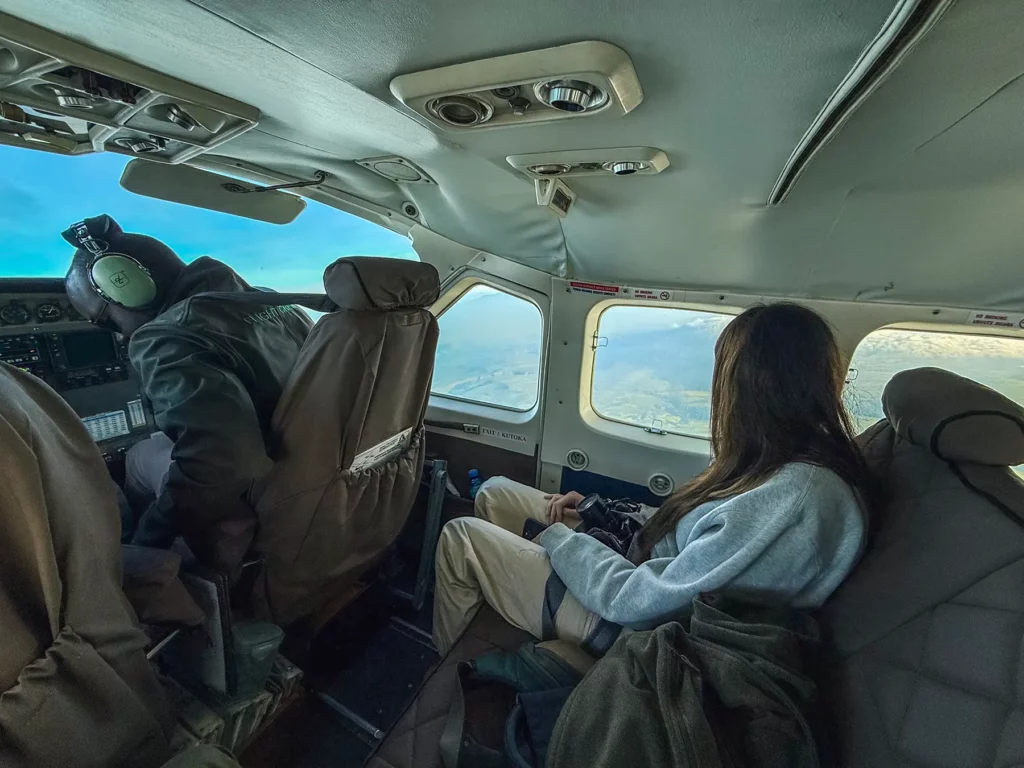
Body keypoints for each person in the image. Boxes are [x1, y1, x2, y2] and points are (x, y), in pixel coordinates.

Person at [433, 303, 872, 654]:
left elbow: (642, 605)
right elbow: (700, 540)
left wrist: (559, 540)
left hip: (629, 631)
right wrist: (605, 509)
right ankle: (504, 604)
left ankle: (445, 668)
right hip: (638, 572)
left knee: (461, 537)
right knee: (493, 493)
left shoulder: (798, 500)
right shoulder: (781, 463)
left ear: (751, 387)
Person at [63, 214, 314, 574]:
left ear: (127, 287)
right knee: (161, 446)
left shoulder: (166, 337)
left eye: (106, 320)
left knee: (138, 456)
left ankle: (148, 562)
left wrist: (152, 536)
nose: (118, 336)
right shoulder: (266, 299)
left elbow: (225, 463)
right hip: (308, 460)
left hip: (264, 478)